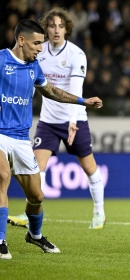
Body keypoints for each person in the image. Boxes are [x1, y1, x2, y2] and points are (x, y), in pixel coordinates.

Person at [0, 19, 102, 259]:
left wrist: (82, 101)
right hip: (0, 134)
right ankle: (1, 240)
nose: (40, 48)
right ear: (21, 40)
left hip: (21, 138)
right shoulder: (1, 59)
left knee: (37, 196)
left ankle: (34, 235)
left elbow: (52, 91)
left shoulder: (34, 67)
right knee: (2, 176)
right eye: (36, 43)